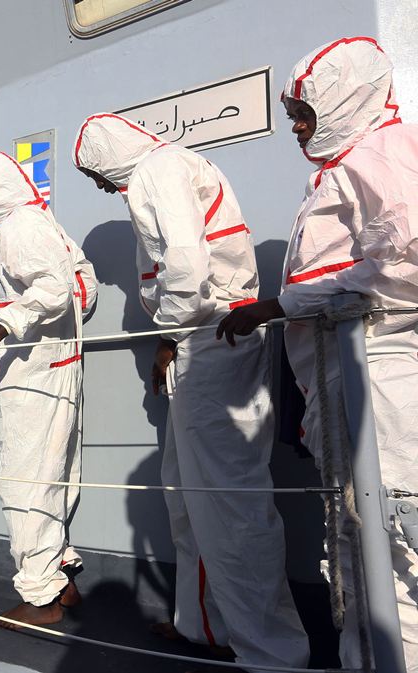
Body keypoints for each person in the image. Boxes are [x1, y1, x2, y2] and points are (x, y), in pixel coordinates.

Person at [74, 113, 309, 670]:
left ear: (110, 157)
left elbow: (185, 264)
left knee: (229, 504)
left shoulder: (159, 170)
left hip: (210, 342)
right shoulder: (168, 167)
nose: (98, 185)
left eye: (93, 172)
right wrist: (171, 339)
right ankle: (206, 625)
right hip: (202, 341)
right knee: (188, 494)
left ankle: (272, 653)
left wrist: (175, 331)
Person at [217, 37, 418, 671]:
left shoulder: (382, 158)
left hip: (375, 375)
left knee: (388, 539)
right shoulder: (355, 162)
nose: (298, 129)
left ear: (346, 100)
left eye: (306, 114)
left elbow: (407, 266)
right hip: (344, 374)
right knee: (361, 535)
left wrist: (281, 307)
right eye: (293, 116)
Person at [0, 151, 96, 628]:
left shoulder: (18, 228)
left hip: (31, 377)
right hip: (61, 369)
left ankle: (40, 599)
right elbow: (83, 287)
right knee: (54, 477)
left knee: (23, 482)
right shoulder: (48, 224)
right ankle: (61, 577)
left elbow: (53, 291)